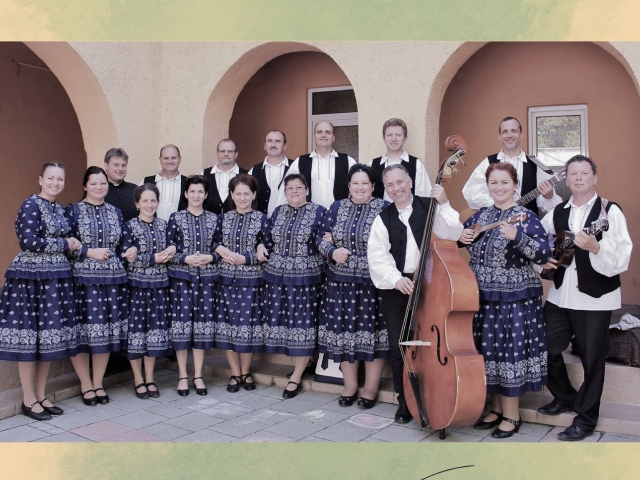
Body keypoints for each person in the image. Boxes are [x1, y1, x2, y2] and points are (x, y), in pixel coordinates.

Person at [537, 155, 632, 441]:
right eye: (573, 173)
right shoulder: (557, 212)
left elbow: (623, 255)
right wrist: (543, 259)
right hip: (560, 296)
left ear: (594, 178)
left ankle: (586, 418)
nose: (578, 178)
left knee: (593, 360)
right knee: (544, 347)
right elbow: (539, 240)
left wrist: (596, 248)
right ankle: (566, 396)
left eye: (584, 173)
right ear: (566, 179)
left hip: (596, 299)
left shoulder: (609, 212)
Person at [459, 162, 551, 438]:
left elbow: (544, 254)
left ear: (515, 185)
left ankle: (512, 415)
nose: (499, 188)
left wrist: (518, 237)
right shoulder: (482, 215)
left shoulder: (525, 216)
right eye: (494, 183)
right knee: (489, 353)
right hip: (482, 297)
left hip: (514, 300)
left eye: (504, 182)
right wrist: (461, 236)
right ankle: (497, 409)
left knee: (508, 353)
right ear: (487, 186)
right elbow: (458, 240)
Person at [367, 164, 464, 424]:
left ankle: (438, 396)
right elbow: (377, 256)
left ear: (410, 182)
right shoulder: (383, 218)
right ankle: (405, 401)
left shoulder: (430, 206)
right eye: (390, 185)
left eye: (400, 182)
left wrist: (444, 203)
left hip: (433, 283)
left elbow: (454, 232)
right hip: (397, 285)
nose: (396, 188)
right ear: (385, 189)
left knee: (434, 344)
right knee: (398, 345)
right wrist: (396, 279)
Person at [0, 163, 80, 420]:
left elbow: (66, 241)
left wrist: (73, 244)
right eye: (51, 178)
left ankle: (41, 395)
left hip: (55, 282)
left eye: (60, 179)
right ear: (40, 180)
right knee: (29, 340)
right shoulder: (30, 205)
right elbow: (29, 241)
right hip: (31, 281)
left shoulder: (59, 209)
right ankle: (28, 399)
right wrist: (65, 243)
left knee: (48, 340)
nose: (55, 183)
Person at [317, 164, 389, 408]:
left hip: (373, 285)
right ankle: (349, 385)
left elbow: (393, 243)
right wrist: (332, 251)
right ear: (348, 186)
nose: (360, 187)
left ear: (373, 186)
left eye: (364, 183)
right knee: (344, 334)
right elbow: (320, 238)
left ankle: (370, 388)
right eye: (355, 183)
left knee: (372, 336)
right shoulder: (337, 207)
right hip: (340, 284)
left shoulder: (384, 208)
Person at [66, 166, 136, 406]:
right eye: (94, 183)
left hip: (112, 282)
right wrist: (88, 252)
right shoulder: (73, 211)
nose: (99, 187)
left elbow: (123, 242)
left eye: (103, 183)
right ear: (85, 186)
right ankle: (85, 384)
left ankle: (98, 383)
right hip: (83, 282)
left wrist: (130, 249)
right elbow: (65, 244)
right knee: (83, 333)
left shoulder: (115, 212)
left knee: (104, 333)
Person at [259, 174, 326, 398]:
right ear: (285, 192)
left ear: (307, 190)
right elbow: (268, 238)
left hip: (305, 279)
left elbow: (324, 242)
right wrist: (260, 245)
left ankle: (296, 376)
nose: (294, 191)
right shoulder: (278, 211)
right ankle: (305, 363)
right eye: (290, 188)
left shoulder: (319, 211)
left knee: (302, 324)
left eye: (299, 187)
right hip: (277, 277)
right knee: (288, 324)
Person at [213, 174, 267, 393]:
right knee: (229, 328)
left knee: (248, 329)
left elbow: (267, 249)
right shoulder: (222, 219)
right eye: (238, 194)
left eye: (246, 193)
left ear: (254, 195)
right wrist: (219, 249)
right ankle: (234, 373)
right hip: (226, 281)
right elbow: (213, 241)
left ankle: (245, 372)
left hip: (252, 282)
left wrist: (247, 259)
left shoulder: (263, 219)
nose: (242, 198)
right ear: (232, 195)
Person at [166, 175, 219, 397]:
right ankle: (182, 375)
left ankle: (198, 375)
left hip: (206, 280)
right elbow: (169, 249)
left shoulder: (214, 219)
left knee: (201, 328)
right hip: (182, 280)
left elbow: (219, 247)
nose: (196, 195)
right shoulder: (175, 218)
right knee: (181, 328)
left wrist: (210, 257)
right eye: (192, 191)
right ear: (186, 194)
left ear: (206, 195)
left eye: (200, 192)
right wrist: (184, 258)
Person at [121, 184, 175, 399]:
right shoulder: (129, 227)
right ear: (137, 204)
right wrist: (154, 258)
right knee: (137, 334)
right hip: (137, 288)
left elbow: (172, 247)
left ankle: (150, 378)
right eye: (145, 201)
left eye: (153, 201)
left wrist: (171, 249)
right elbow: (128, 260)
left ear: (158, 203)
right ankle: (138, 379)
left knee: (153, 334)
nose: (149, 205)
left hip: (159, 287)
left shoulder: (164, 225)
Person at [462, 116, 562, 216]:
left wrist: (549, 197)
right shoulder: (488, 162)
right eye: (505, 132)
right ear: (499, 136)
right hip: (495, 223)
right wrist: (498, 206)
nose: (509, 135)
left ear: (521, 135)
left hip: (527, 224)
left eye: (514, 131)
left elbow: (551, 207)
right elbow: (471, 193)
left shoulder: (535, 164)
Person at [285, 121, 357, 209]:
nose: (323, 135)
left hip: (340, 215)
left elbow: (358, 189)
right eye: (319, 132)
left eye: (328, 132)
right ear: (314, 137)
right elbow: (287, 190)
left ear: (333, 137)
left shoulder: (348, 161)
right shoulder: (300, 162)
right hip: (308, 215)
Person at [367, 118, 432, 202]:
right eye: (389, 135)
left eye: (398, 135)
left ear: (405, 138)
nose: (393, 139)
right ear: (384, 138)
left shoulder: (417, 165)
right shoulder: (371, 165)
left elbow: (425, 198)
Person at [248, 130, 290, 217]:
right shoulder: (255, 170)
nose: (273, 145)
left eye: (277, 141)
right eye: (270, 141)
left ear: (285, 146)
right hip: (261, 222)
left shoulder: (295, 167)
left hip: (289, 222)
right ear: (265, 145)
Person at [141, 145, 188, 221]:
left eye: (174, 158)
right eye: (166, 158)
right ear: (160, 160)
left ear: (180, 159)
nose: (170, 161)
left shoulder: (188, 183)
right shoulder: (146, 182)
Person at [202, 139, 248, 214]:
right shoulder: (204, 174)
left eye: (230, 151)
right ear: (217, 154)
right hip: (209, 220)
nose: (226, 154)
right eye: (222, 151)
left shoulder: (246, 175)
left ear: (236, 154)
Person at [104, 147, 138, 222]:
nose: (120, 169)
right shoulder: (99, 191)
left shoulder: (135, 190)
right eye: (116, 165)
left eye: (123, 165)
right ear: (106, 166)